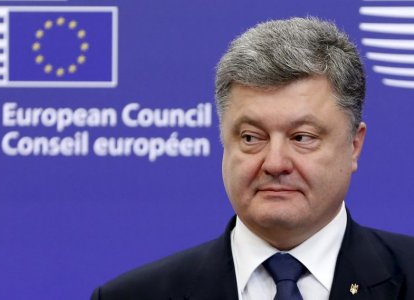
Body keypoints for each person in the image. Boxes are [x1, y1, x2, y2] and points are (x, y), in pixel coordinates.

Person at [90, 17, 414, 300]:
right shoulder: (133, 295)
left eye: (302, 138)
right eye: (251, 138)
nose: (274, 163)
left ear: (354, 145)